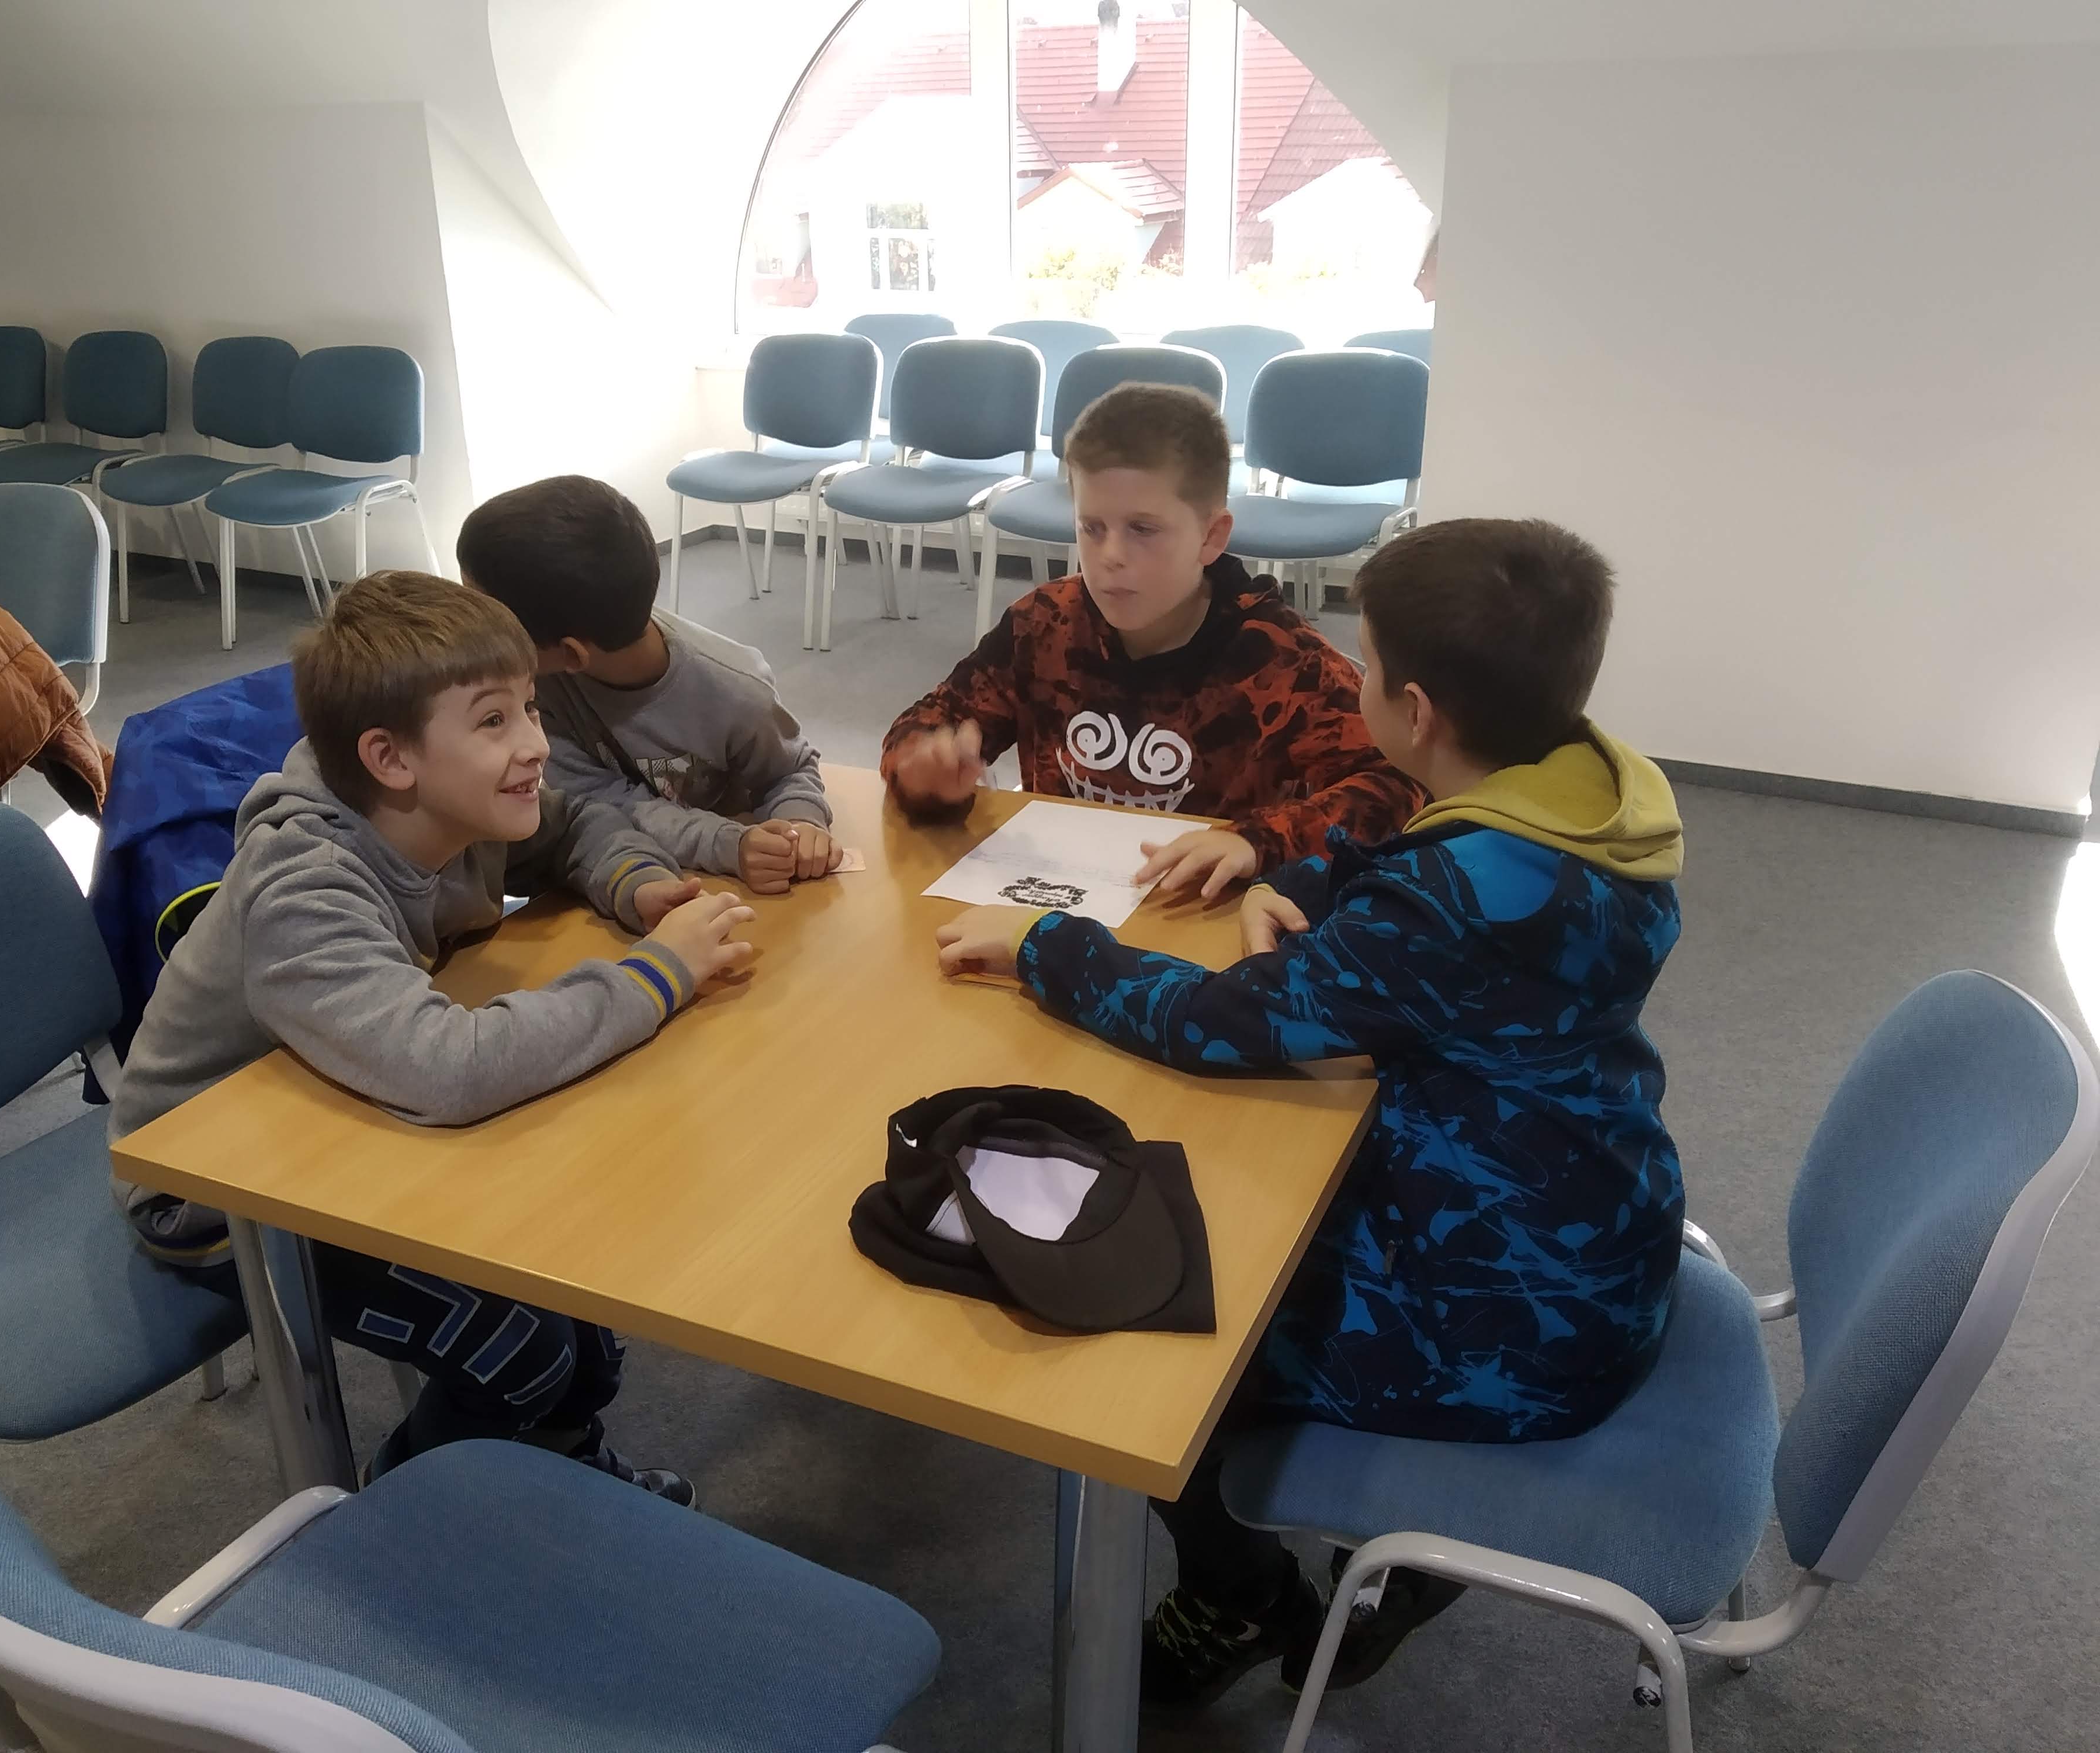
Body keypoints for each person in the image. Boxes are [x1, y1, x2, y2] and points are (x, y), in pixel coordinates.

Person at [933, 518, 1686, 1707]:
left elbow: (1223, 1025)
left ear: (1414, 712)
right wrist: (1294, 878)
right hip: (1594, 1219)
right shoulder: (1578, 796)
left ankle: (1240, 1594)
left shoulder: (1454, 902)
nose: (1356, 676)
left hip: (1511, 1318)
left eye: (1367, 662)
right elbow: (1423, 859)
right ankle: (1385, 1557)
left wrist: (1044, 946)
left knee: (1153, 1342)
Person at [108, 570, 757, 1501]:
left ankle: (562, 1473)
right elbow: (446, 1068)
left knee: (582, 1298)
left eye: (530, 708)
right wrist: (658, 974)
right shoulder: (304, 885)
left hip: (355, 1116)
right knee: (518, 1346)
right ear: (390, 758)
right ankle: (409, 1511)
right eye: (494, 720)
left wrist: (637, 884)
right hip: (223, 1194)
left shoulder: (460, 804)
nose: (537, 744)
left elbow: (576, 823)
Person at [881, 382, 1421, 898]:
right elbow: (930, 722)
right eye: (1092, 528)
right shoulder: (1043, 624)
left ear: (1211, 537)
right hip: (1052, 905)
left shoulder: (1283, 661)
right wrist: (924, 768)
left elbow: (1398, 788)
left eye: (1143, 529)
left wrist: (1256, 842)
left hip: (1200, 916)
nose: (1111, 556)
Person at [459, 474, 841, 896]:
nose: (474, 632)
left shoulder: (737, 691)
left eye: (489, 618)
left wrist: (800, 826)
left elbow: (790, 770)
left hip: (726, 885)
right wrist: (725, 844)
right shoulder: (538, 688)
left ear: (571, 655)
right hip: (627, 868)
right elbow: (595, 804)